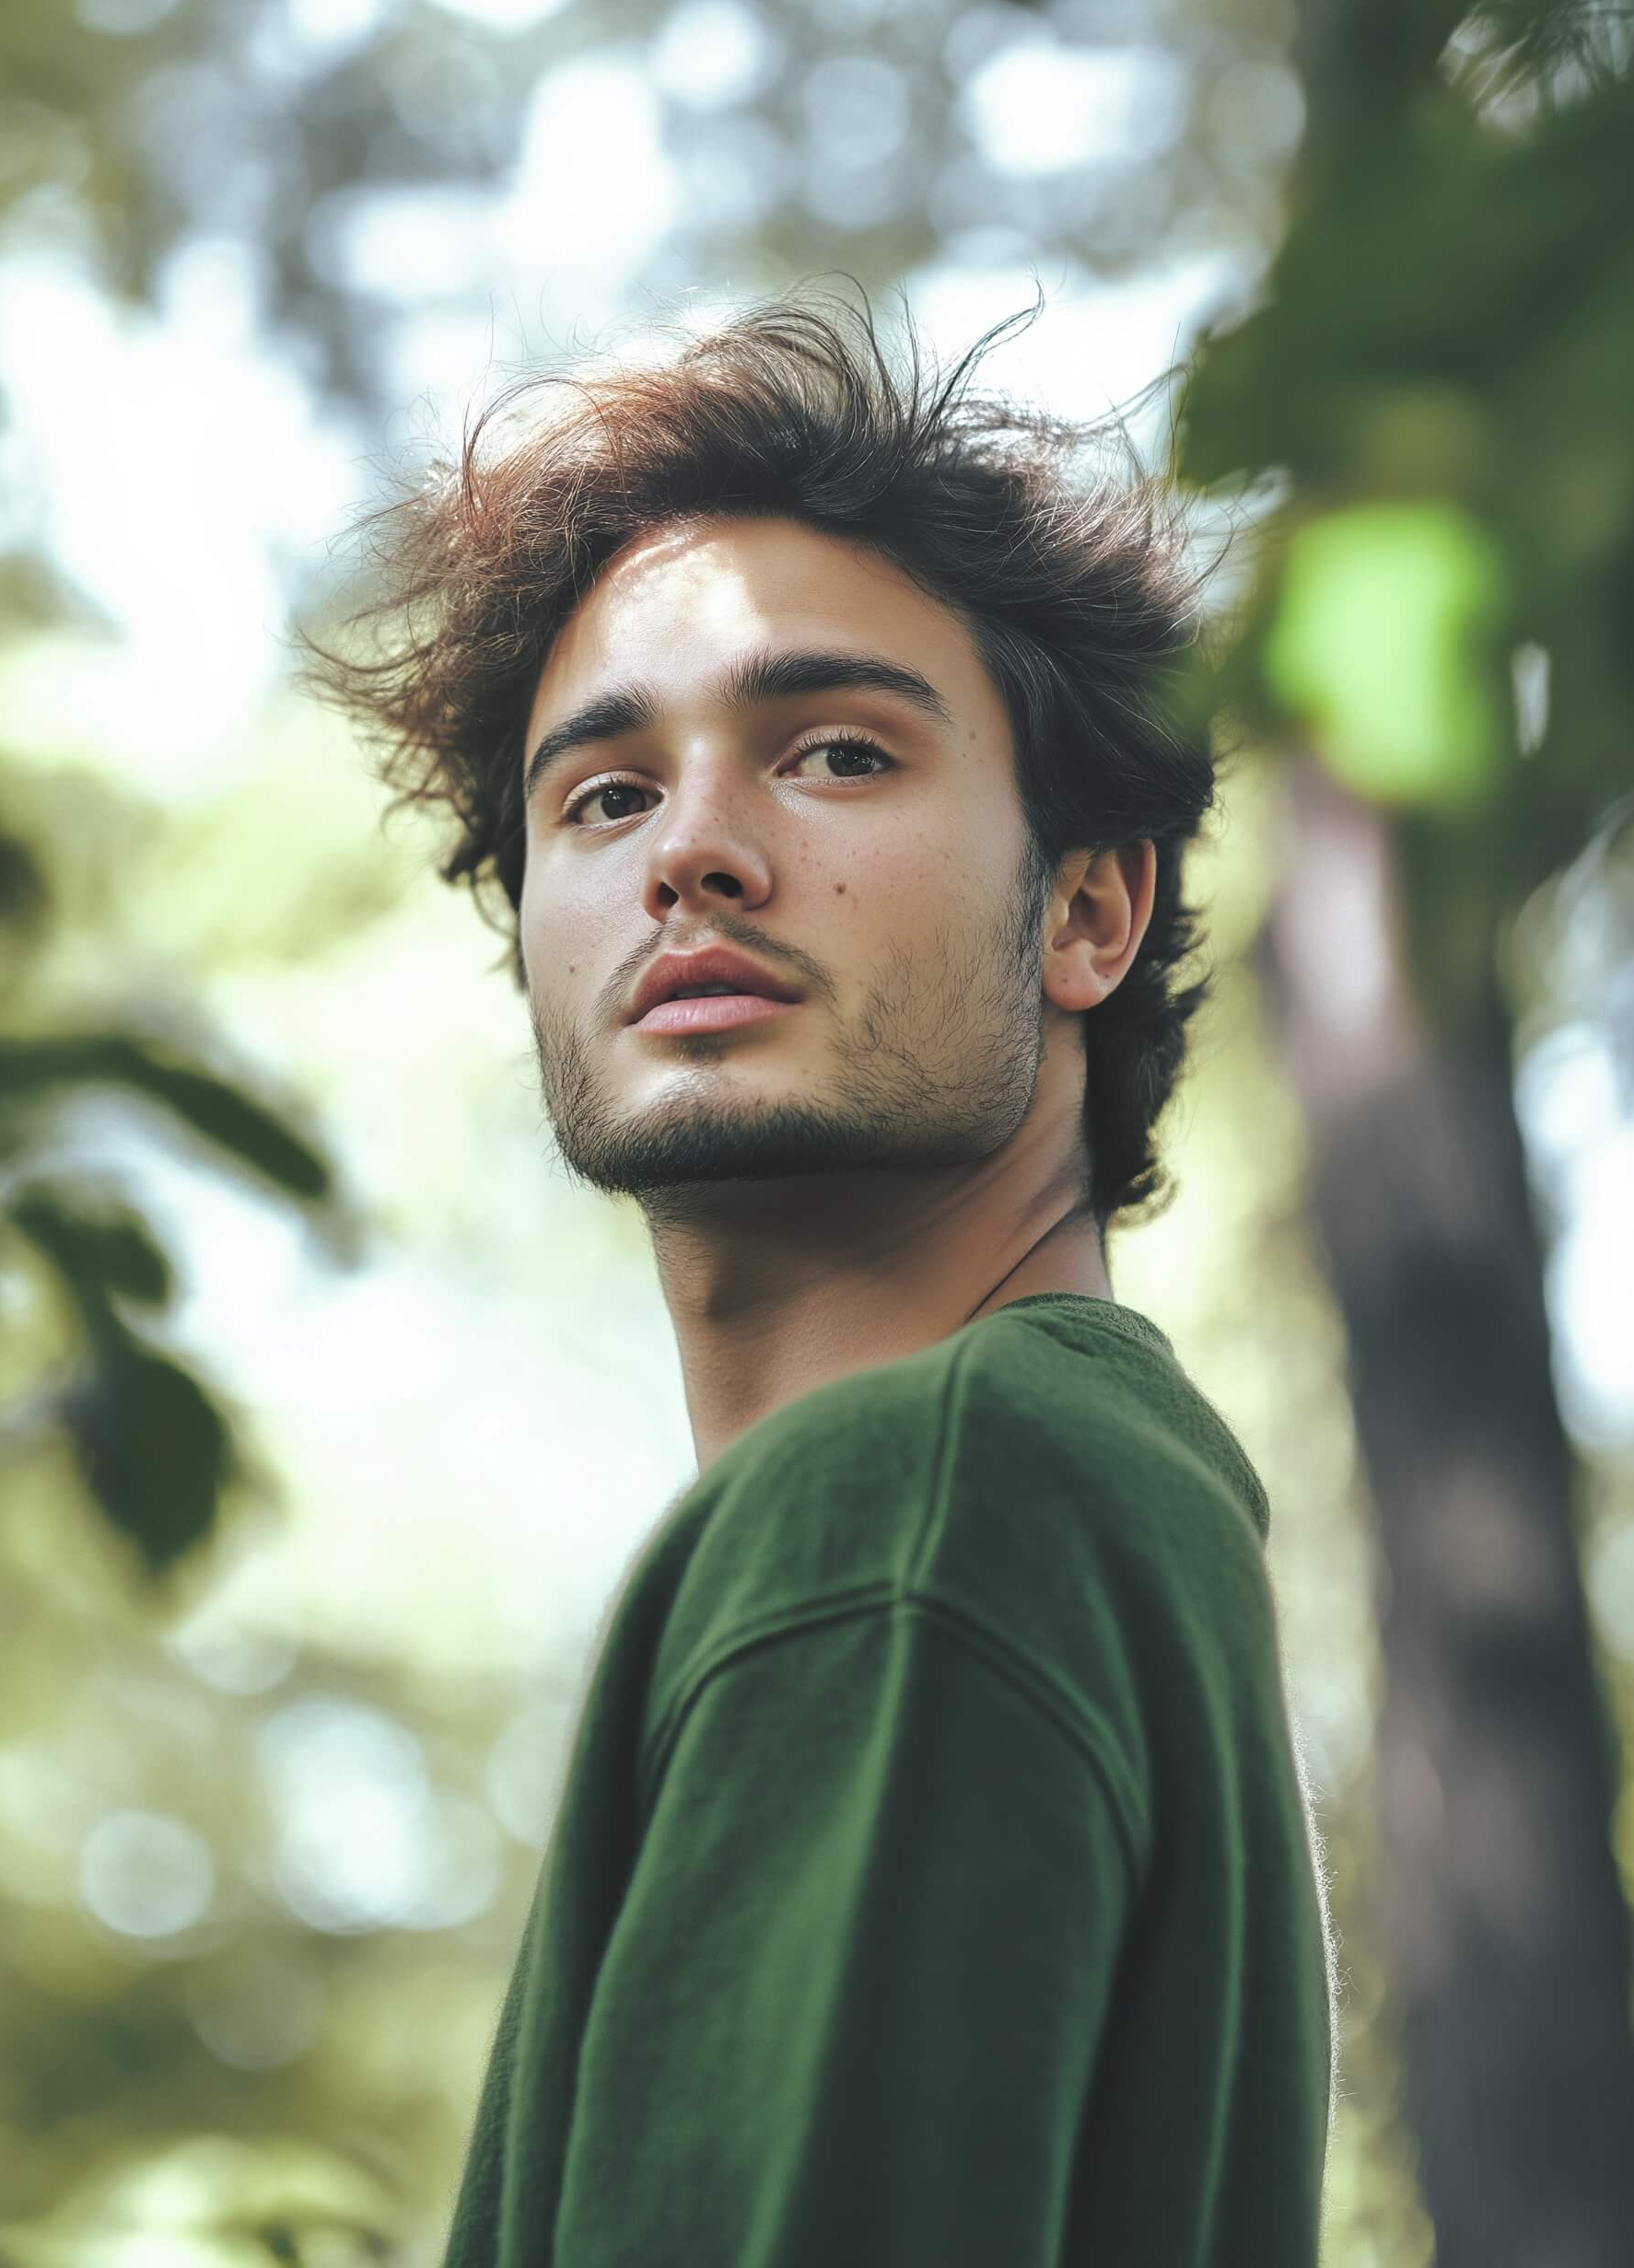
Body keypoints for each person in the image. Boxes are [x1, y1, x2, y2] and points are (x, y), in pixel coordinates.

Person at [311, 287, 1341, 2265]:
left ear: (1090, 909)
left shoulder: (919, 1504)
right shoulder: (1104, 1501)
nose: (689, 848)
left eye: (838, 753)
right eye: (602, 797)